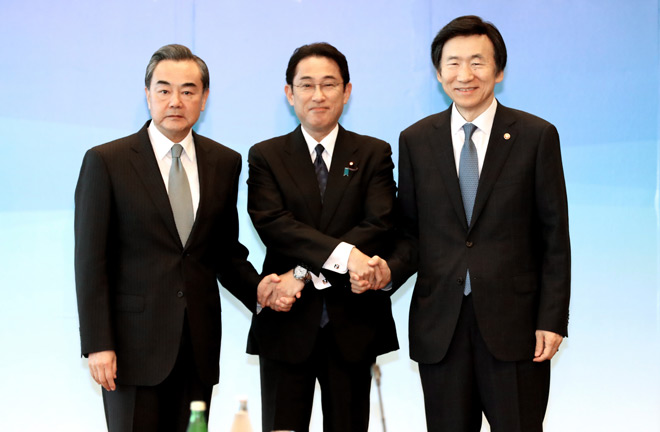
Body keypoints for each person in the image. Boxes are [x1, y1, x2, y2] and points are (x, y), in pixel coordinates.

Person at [355, 15, 571, 431]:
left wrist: (552, 318)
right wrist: (387, 271)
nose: (465, 74)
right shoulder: (416, 140)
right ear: (438, 73)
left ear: (499, 70)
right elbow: (411, 234)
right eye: (453, 63)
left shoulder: (535, 135)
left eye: (477, 62)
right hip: (442, 328)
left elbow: (554, 237)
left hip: (517, 327)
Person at [74, 44, 280, 432]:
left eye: (188, 91)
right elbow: (90, 262)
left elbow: (222, 251)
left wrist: (260, 289)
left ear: (204, 99)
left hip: (197, 346)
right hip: (130, 349)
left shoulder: (224, 162)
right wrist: (98, 343)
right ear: (147, 94)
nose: (175, 101)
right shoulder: (107, 161)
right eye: (164, 89)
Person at [246, 42, 399, 432]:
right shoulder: (266, 156)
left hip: (352, 324)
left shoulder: (373, 153)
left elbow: (379, 224)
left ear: (346, 92)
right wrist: (346, 257)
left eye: (329, 84)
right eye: (307, 85)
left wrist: (300, 273)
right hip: (286, 325)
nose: (318, 95)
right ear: (289, 93)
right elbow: (275, 224)